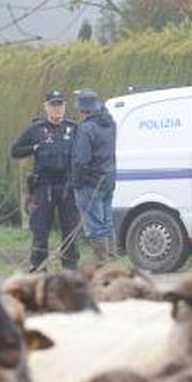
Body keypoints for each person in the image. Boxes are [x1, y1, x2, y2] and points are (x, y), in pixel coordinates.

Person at [10, 90, 80, 271]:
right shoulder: (36, 130)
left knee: (70, 229)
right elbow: (15, 151)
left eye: (60, 105)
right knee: (40, 230)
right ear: (46, 107)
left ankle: (70, 267)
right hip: (44, 187)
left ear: (65, 107)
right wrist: (33, 148)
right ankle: (39, 267)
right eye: (53, 105)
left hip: (67, 187)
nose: (57, 109)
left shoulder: (73, 129)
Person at [71, 89, 117, 263]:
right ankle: (112, 263)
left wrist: (76, 183)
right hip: (108, 181)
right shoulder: (110, 124)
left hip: (90, 184)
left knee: (95, 227)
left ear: (81, 110)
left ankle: (102, 264)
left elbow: (80, 161)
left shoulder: (86, 129)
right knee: (107, 223)